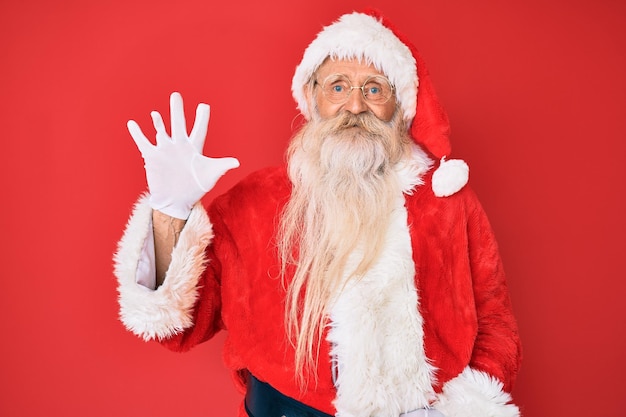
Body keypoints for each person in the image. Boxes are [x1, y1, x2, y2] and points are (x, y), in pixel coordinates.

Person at [114, 9, 522, 417]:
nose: (355, 105)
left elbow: (494, 321)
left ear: (399, 107)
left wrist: (467, 407)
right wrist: (170, 210)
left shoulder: (446, 201)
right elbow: (179, 326)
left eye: (375, 89)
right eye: (338, 86)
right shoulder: (253, 202)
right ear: (312, 97)